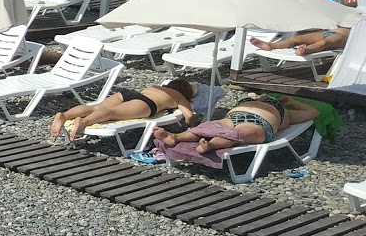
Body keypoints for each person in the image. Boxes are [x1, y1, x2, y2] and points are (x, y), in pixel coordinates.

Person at [155, 95, 321, 167]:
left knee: (237, 135)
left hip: (261, 122)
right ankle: (174, 137)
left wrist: (292, 103)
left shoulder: (288, 114)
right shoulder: (260, 101)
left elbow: (314, 112)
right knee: (207, 127)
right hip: (236, 115)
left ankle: (210, 145)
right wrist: (260, 100)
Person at [50, 78, 196, 142]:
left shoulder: (156, 87)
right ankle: (83, 122)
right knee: (113, 113)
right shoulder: (178, 96)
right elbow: (188, 114)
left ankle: (64, 115)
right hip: (146, 103)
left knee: (95, 107)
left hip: (130, 94)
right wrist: (189, 125)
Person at [250, 29, 350, 56]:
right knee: (297, 39)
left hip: (343, 37)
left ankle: (306, 50)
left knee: (324, 43)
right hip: (327, 32)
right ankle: (270, 45)